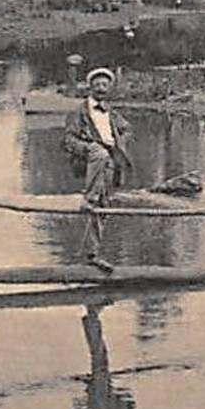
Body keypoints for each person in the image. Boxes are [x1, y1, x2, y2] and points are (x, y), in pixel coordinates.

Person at [61, 67, 131, 272]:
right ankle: (88, 199)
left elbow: (127, 128)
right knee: (94, 199)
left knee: (103, 207)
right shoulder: (79, 113)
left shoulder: (111, 112)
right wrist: (89, 147)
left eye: (105, 85)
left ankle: (91, 255)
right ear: (90, 87)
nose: (101, 89)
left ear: (109, 88)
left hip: (110, 163)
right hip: (91, 160)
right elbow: (67, 140)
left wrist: (120, 142)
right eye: (97, 85)